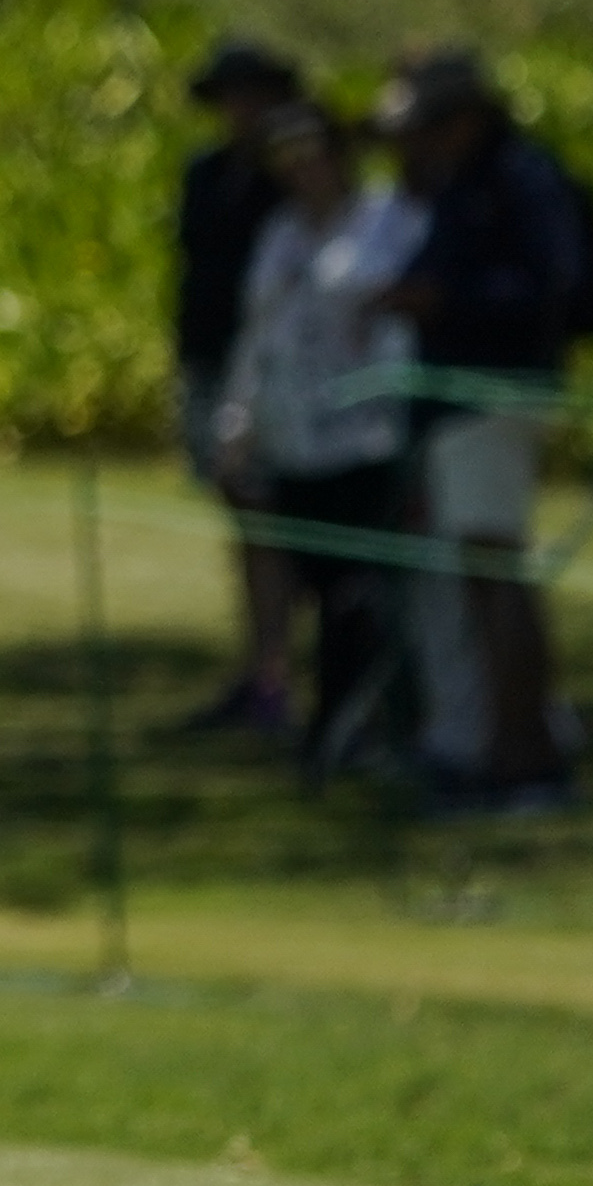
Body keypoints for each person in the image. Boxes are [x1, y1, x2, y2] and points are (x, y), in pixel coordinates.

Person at [375, 47, 593, 813]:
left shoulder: (520, 179)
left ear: (465, 120)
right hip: (456, 400)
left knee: (496, 570)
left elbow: (549, 285)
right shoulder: (462, 181)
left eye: (427, 129)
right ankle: (497, 745)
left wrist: (446, 301)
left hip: (493, 396)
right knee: (482, 573)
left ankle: (524, 758)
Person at [210, 100, 424, 775]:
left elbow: (404, 324)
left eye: (312, 150)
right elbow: (258, 336)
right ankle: (335, 726)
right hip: (293, 439)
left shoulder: (388, 220)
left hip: (368, 437)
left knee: (362, 592)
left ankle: (365, 726)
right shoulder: (281, 234)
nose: (302, 166)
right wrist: (235, 423)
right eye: (286, 156)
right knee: (315, 584)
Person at [172, 34, 305, 736]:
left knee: (270, 514)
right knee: (244, 513)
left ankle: (278, 672)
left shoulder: (291, 180)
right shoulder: (206, 174)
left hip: (272, 371)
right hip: (212, 361)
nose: (242, 108)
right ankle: (263, 668)